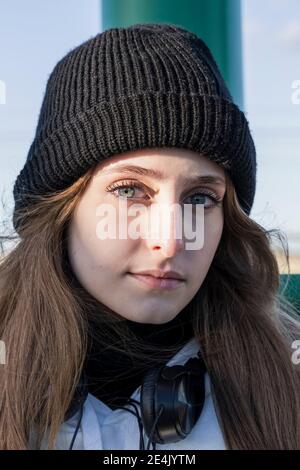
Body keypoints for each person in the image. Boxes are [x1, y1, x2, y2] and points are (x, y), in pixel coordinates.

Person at [0, 22, 300, 451]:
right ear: (59, 209)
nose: (172, 240)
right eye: (129, 191)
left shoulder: (287, 384)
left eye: (200, 198)